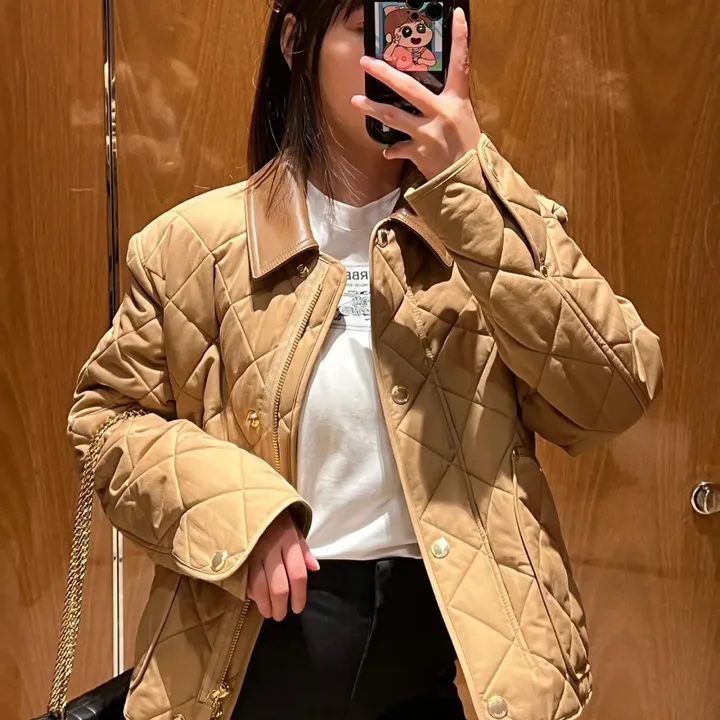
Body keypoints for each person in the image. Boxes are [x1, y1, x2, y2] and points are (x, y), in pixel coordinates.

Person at [67, 1, 663, 719]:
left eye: (422, 28)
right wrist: (239, 513)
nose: (401, 56)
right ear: (296, 40)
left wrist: (471, 184)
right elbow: (106, 420)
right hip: (244, 653)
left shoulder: (495, 232)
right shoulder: (191, 246)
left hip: (435, 659)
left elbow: (611, 398)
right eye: (374, 27)